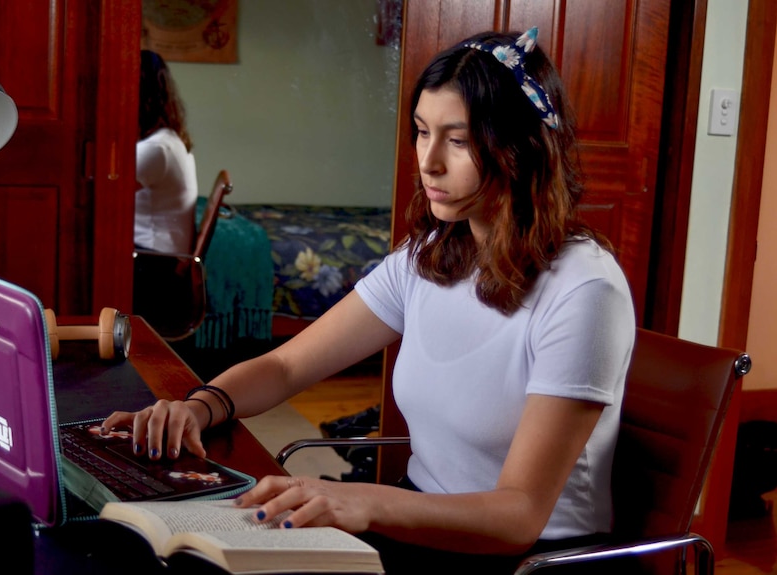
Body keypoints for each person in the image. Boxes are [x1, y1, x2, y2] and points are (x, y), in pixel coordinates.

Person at [103, 28, 636, 574]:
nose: (428, 162)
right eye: (423, 132)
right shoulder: (430, 255)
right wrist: (199, 405)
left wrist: (363, 502)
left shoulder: (585, 290)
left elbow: (519, 515)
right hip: (421, 528)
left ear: (520, 148)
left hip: (533, 561)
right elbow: (286, 365)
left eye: (458, 140)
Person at [135, 49, 198, 254]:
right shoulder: (167, 139)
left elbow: (105, 195)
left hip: (153, 258)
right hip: (160, 252)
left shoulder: (156, 148)